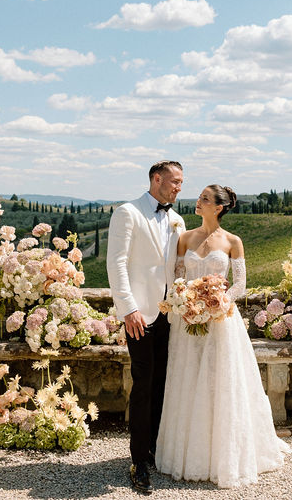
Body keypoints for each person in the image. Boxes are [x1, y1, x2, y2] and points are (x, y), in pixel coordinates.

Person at [156, 184, 290, 488]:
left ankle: (223, 455)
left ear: (218, 207)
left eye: (205, 198)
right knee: (188, 379)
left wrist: (218, 304)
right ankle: (188, 453)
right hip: (187, 322)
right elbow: (177, 278)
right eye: (200, 196)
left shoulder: (232, 241)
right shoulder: (185, 237)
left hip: (220, 322)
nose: (198, 201)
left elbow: (240, 283)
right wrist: (187, 300)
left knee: (220, 382)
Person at [107, 161, 185, 494]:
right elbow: (117, 263)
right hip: (141, 315)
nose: (178, 188)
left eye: (181, 183)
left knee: (163, 384)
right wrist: (129, 309)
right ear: (156, 179)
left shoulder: (175, 219)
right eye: (174, 182)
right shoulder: (128, 212)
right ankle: (138, 461)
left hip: (172, 315)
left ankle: (154, 449)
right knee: (143, 384)